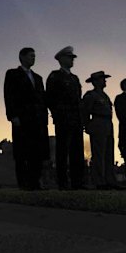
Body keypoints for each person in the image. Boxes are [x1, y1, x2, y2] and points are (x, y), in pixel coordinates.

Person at [4, 47, 50, 190]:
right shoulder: (12, 74)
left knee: (36, 153)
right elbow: (9, 95)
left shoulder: (38, 78)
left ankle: (35, 182)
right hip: (22, 119)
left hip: (37, 120)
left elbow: (43, 99)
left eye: (34, 56)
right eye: (31, 56)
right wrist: (13, 116)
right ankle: (24, 183)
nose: (33, 58)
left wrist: (44, 119)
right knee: (22, 152)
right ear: (22, 57)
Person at [46, 46, 84, 189]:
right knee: (62, 151)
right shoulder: (55, 76)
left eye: (72, 58)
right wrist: (58, 115)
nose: (72, 60)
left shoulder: (74, 78)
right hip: (63, 118)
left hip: (76, 119)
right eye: (69, 57)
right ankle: (62, 182)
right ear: (61, 59)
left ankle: (77, 182)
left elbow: (78, 100)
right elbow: (50, 98)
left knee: (77, 152)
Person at [81, 71, 120, 190]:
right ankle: (99, 181)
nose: (105, 81)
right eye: (102, 79)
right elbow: (85, 111)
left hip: (108, 124)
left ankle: (110, 180)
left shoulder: (104, 95)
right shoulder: (91, 95)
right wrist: (87, 125)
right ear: (96, 82)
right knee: (99, 154)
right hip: (98, 123)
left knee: (109, 153)